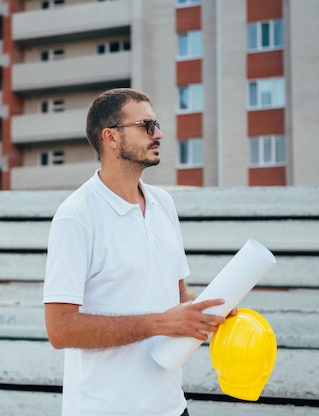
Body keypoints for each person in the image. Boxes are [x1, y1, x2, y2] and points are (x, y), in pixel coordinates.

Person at [43, 88, 228, 416]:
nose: (159, 135)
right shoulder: (77, 215)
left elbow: (177, 294)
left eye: (156, 125)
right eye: (146, 126)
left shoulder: (163, 204)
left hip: (171, 407)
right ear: (110, 137)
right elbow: (60, 329)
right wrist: (159, 323)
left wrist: (213, 309)